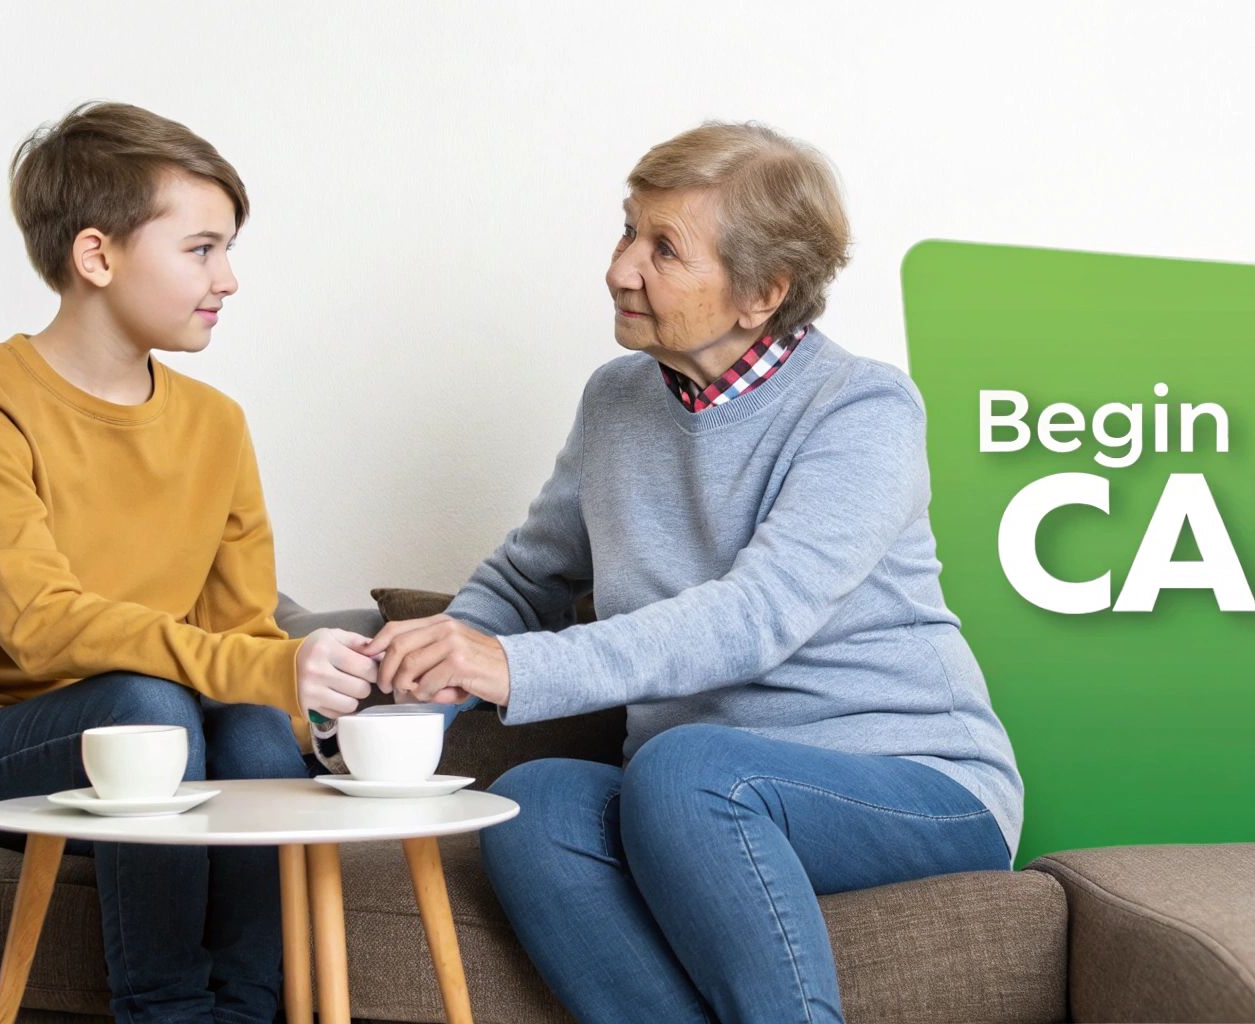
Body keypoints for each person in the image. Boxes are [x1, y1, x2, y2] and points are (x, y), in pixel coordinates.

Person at [367, 121, 1023, 1024]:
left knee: (688, 771)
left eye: (663, 248)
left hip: (915, 783)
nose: (620, 267)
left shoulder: (864, 409)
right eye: (627, 230)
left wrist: (513, 668)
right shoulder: (617, 401)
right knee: (534, 799)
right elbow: (528, 582)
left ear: (762, 292)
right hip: (691, 787)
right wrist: (431, 662)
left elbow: (754, 618)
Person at [0, 101, 376, 1023]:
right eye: (202, 249)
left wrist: (304, 685)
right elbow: (41, 627)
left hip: (142, 741)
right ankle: (161, 1010)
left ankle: (246, 1010)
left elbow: (243, 633)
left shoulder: (217, 425)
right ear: (98, 256)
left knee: (247, 719)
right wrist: (266, 661)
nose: (230, 279)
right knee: (149, 710)